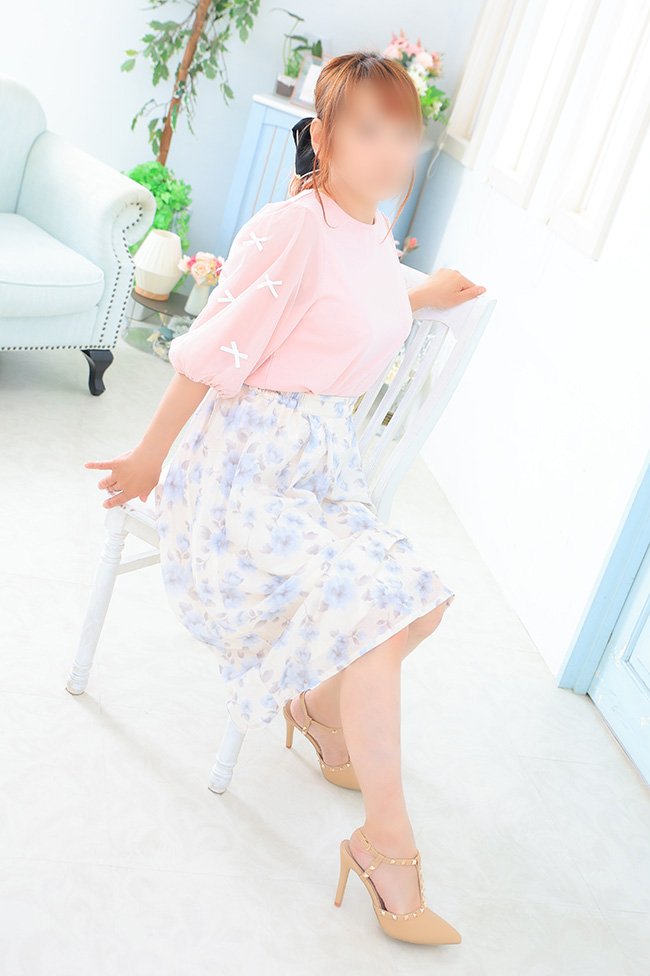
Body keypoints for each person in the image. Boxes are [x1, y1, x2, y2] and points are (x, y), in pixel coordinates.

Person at [85, 51, 486, 945]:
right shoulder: (288, 228)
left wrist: (421, 293)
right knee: (376, 611)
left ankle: (317, 710)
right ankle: (388, 845)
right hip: (242, 468)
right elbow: (210, 352)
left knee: (420, 605)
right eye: (369, 132)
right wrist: (150, 457)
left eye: (405, 135)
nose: (391, 152)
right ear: (327, 138)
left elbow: (350, 300)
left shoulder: (371, 227)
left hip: (320, 468)